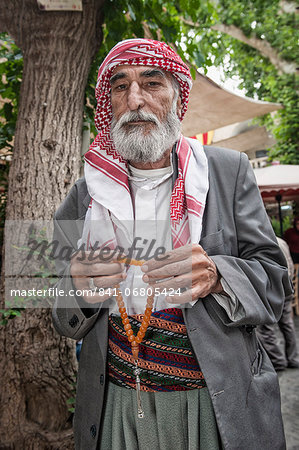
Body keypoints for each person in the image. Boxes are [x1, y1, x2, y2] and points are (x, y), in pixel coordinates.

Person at [52, 39, 291, 450]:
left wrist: (218, 276)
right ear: (107, 105)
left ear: (177, 97)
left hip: (214, 405)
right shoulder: (84, 194)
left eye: (152, 82)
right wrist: (78, 287)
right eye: (120, 86)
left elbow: (275, 282)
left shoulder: (226, 172)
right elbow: (58, 311)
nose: (136, 99)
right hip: (117, 408)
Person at [257, 237, 299, 371]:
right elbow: (290, 264)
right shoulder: (282, 241)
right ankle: (294, 358)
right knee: (287, 324)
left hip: (272, 290)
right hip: (286, 288)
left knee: (265, 328)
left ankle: (278, 360)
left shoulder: (263, 242)